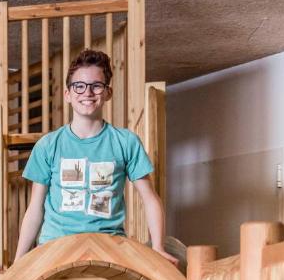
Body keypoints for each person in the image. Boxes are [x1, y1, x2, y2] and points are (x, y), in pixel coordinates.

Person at [15, 49, 179, 265]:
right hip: (55, 247)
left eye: (96, 86)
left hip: (108, 246)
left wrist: (157, 246)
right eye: (79, 86)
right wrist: (18, 260)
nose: (87, 92)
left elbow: (149, 197)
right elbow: (35, 208)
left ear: (108, 93)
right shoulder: (48, 145)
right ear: (67, 94)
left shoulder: (125, 142)